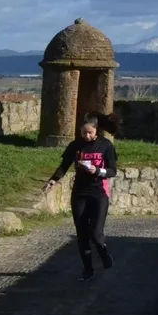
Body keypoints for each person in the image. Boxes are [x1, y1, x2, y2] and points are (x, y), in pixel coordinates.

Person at [42, 111, 121, 281]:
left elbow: (113, 171)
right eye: (83, 132)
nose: (86, 135)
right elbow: (64, 166)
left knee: (96, 233)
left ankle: (103, 251)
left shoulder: (105, 145)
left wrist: (97, 171)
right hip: (80, 194)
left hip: (99, 193)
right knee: (82, 234)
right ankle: (88, 269)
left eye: (90, 132)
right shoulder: (75, 146)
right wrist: (52, 180)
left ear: (96, 130)